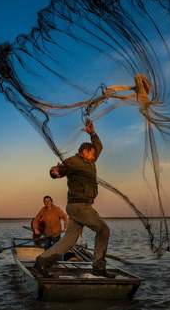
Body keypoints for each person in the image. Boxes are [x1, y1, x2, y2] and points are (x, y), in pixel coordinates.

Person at [34, 119, 115, 278]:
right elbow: (59, 171)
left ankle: (41, 262)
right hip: (80, 206)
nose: (94, 156)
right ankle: (98, 267)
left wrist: (92, 133)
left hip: (79, 207)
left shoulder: (90, 160)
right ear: (84, 152)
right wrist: (54, 172)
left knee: (69, 240)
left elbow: (99, 146)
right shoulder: (73, 162)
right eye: (92, 154)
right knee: (104, 230)